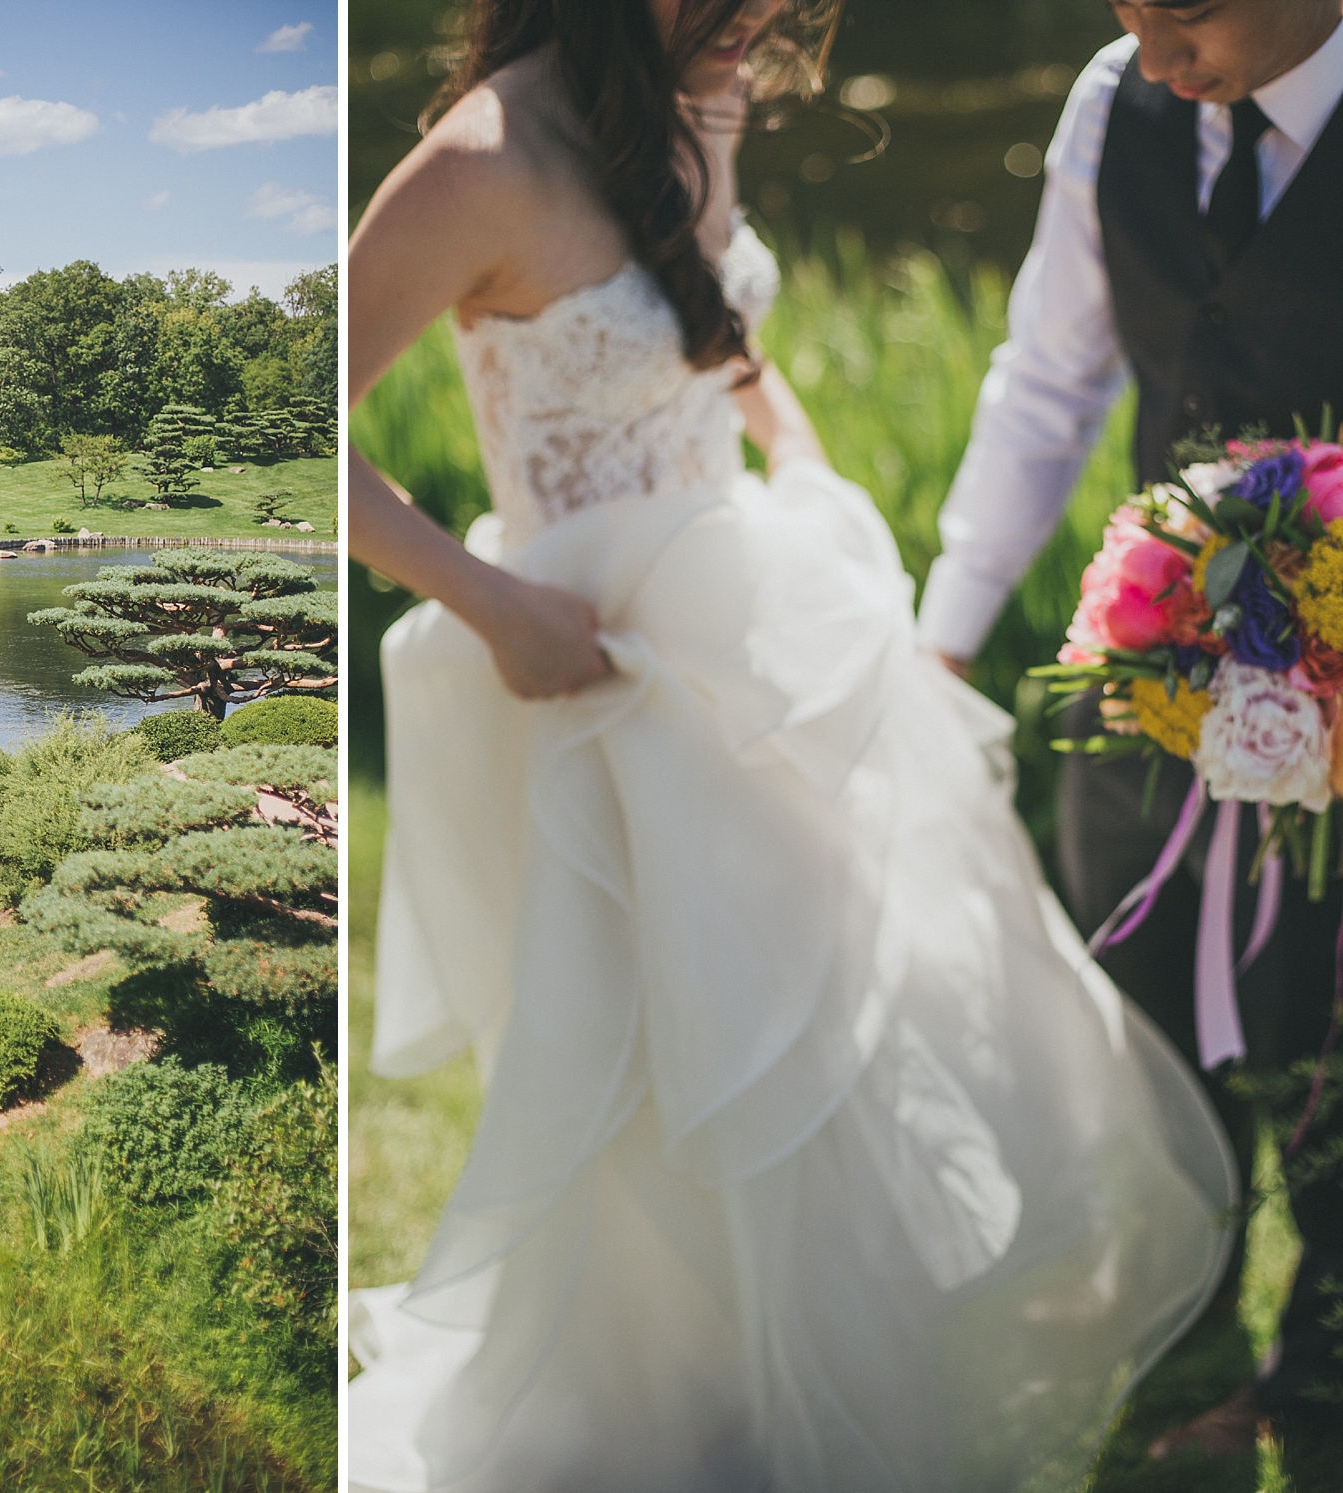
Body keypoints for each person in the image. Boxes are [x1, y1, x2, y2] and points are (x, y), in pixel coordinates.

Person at [346, 0, 1239, 1488]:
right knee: (645, 1049)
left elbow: (711, 317)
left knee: (825, 1011)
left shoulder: (700, 89)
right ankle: (661, 1402)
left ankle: (796, 1386)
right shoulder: (477, 161)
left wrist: (806, 457)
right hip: (599, 673)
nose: (766, 16)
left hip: (749, 624)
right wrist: (493, 605)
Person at [916, 0, 1343, 1453]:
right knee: (1141, 980)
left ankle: (1313, 1379)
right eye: (1131, 12)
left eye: (1191, 15)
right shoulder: (1116, 103)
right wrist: (950, 625)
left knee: (1331, 1022)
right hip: (1153, 667)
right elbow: (1048, 377)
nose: (1158, 55)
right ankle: (1180, 1287)